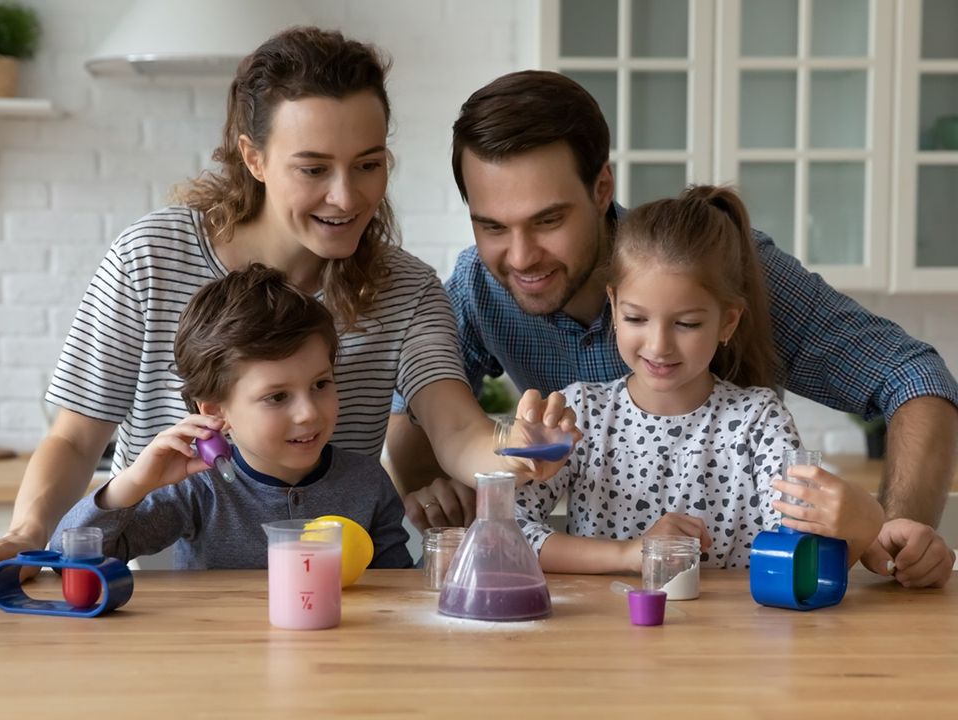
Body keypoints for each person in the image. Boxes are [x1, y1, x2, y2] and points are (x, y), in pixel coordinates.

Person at [0, 29, 575, 595]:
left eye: (368, 165)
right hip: (168, 594)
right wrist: (26, 532)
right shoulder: (151, 256)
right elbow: (77, 437)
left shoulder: (404, 289)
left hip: (329, 595)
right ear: (254, 158)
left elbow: (459, 432)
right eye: (313, 168)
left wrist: (517, 451)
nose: (346, 196)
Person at [388, 70, 958, 588]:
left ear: (602, 188)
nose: (521, 256)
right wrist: (439, 489)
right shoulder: (477, 288)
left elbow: (912, 376)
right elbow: (418, 412)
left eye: (549, 220)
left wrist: (894, 537)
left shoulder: (718, 266)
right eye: (492, 226)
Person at [514, 185, 885, 573]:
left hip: (730, 633)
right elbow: (509, 530)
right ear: (613, 303)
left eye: (687, 324)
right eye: (636, 318)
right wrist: (633, 554)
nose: (658, 346)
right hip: (608, 633)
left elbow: (803, 559)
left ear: (728, 321)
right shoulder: (582, 415)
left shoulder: (757, 422)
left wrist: (864, 525)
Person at [49, 265, 413, 569]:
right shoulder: (199, 489)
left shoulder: (367, 482)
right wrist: (132, 485)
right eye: (277, 397)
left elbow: (397, 590)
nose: (309, 413)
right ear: (216, 412)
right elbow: (67, 558)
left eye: (320, 384)